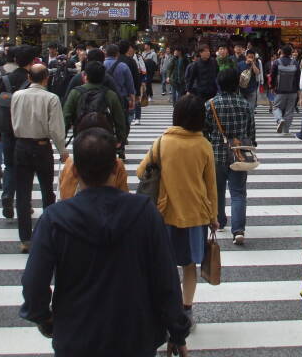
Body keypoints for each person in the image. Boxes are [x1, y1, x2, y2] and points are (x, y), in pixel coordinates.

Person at [20, 128, 191, 356]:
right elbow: (165, 278)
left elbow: (33, 284)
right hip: (135, 336)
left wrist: (45, 318)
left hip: (77, 334)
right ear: (115, 167)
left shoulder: (55, 219)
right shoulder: (144, 212)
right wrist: (177, 330)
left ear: (75, 171)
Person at [137, 94, 218, 328]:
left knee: (163, 265)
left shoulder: (163, 142)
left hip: (164, 214)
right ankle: (186, 309)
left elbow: (142, 172)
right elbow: (211, 186)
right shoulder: (204, 145)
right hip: (195, 215)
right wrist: (213, 217)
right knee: (190, 266)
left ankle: (161, 308)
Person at [11, 65, 69, 254]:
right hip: (42, 146)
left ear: (29, 77)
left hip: (21, 145)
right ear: (46, 78)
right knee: (47, 192)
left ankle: (25, 239)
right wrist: (63, 151)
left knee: (23, 194)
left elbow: (13, 120)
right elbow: (56, 129)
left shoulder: (17, 95)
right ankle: (49, 233)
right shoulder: (51, 98)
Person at [204, 68, 255, 245]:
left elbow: (205, 131)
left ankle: (220, 220)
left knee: (216, 191)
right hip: (238, 154)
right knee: (238, 193)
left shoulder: (211, 104)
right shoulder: (245, 104)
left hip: (216, 153)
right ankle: (238, 230)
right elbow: (251, 132)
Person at [0, 46, 33, 219]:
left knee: (9, 165)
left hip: (6, 128)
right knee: (26, 168)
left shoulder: (5, 79)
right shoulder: (31, 82)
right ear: (32, 62)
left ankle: (7, 195)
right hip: (26, 130)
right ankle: (25, 203)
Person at [64, 61, 127, 148]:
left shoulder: (75, 93)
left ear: (85, 76)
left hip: (81, 139)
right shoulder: (110, 94)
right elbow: (119, 119)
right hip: (105, 139)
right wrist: (121, 139)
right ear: (103, 77)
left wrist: (63, 136)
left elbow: (66, 116)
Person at [271, 44, 300, 134]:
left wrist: (272, 87)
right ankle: (286, 130)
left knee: (276, 107)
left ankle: (280, 119)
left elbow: (272, 76)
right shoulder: (295, 63)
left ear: (282, 52)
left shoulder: (276, 62)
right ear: (291, 53)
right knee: (289, 110)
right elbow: (298, 77)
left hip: (280, 90)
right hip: (293, 91)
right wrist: (298, 90)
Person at [238, 48, 262, 112]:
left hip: (252, 89)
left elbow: (257, 73)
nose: (250, 58)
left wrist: (253, 64)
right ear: (246, 56)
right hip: (242, 89)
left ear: (254, 57)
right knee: (242, 108)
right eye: (249, 56)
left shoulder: (256, 64)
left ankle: (250, 121)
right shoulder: (240, 64)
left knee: (251, 108)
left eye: (252, 57)